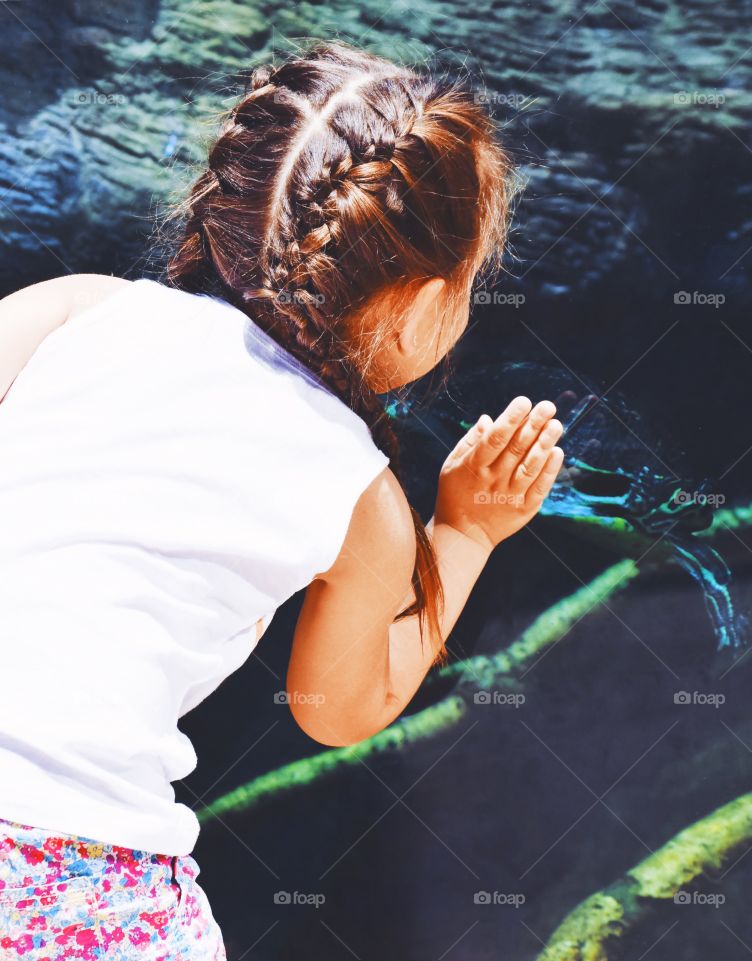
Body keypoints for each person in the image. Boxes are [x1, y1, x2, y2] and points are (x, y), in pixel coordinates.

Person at [0, 38, 564, 958]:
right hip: (77, 877)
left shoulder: (74, 311)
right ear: (422, 305)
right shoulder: (359, 497)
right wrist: (464, 531)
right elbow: (339, 706)